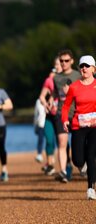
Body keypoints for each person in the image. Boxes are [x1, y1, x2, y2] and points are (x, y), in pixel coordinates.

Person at [62, 55, 96, 199]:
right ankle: (83, 167)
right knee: (77, 159)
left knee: (91, 155)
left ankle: (90, 189)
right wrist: (64, 120)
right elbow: (66, 106)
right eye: (82, 66)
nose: (84, 68)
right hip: (78, 125)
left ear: (93, 68)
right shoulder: (74, 87)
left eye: (87, 66)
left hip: (95, 126)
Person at [52, 49, 81, 183]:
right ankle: (63, 171)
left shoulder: (78, 75)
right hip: (60, 114)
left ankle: (82, 164)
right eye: (61, 61)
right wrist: (50, 101)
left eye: (66, 61)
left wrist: (71, 92)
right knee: (62, 143)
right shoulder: (56, 77)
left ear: (72, 61)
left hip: (77, 113)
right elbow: (55, 94)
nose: (63, 63)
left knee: (79, 144)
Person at [38, 56, 62, 175]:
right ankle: (50, 164)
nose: (57, 67)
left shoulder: (68, 79)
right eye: (56, 64)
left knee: (62, 142)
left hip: (62, 116)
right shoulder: (49, 80)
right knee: (48, 139)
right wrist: (45, 103)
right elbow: (42, 96)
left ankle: (66, 165)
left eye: (59, 64)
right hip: (49, 115)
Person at [33, 98, 46, 163]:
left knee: (50, 140)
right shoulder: (38, 101)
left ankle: (51, 155)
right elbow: (36, 114)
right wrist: (35, 126)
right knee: (40, 139)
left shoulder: (54, 99)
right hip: (41, 123)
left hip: (50, 123)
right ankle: (39, 154)